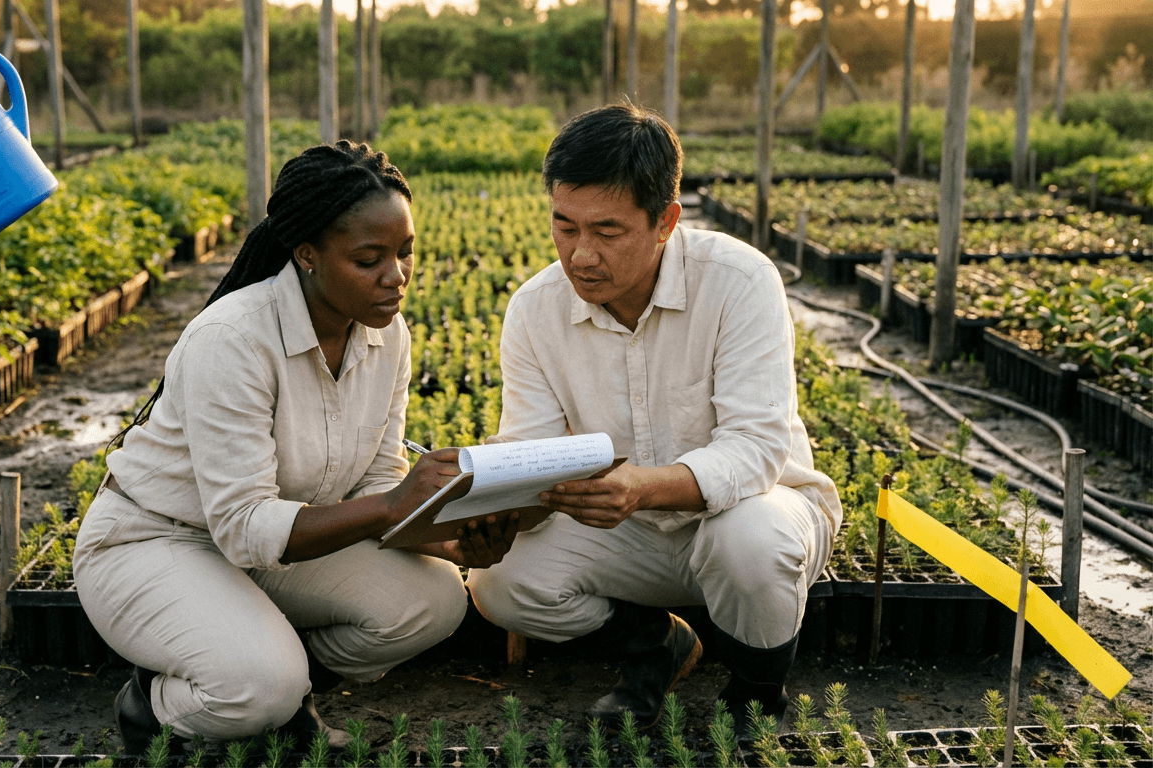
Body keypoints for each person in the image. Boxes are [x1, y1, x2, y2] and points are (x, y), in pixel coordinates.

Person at [74, 141, 515, 753]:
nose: (397, 276)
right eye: (370, 259)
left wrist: (454, 539)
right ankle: (158, 699)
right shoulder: (233, 340)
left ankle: (275, 680)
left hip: (275, 540)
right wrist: (392, 508)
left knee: (433, 599)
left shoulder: (387, 338)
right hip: (158, 539)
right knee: (256, 688)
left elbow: (374, 485)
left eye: (405, 253)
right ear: (307, 256)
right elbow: (244, 527)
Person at [466, 104, 842, 735]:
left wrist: (641, 485)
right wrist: (499, 504)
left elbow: (755, 450)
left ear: (665, 221)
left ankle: (756, 693)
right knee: (501, 581)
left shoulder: (739, 281)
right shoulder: (535, 311)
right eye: (564, 227)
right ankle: (656, 648)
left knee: (750, 543)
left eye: (607, 232)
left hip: (746, 509)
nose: (581, 255)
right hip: (627, 528)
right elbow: (532, 449)